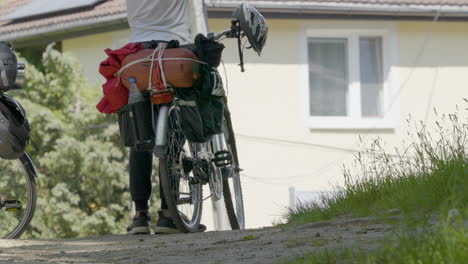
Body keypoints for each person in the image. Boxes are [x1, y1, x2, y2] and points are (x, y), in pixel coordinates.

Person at [125, 0, 205, 235]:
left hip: (137, 56)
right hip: (174, 52)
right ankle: (168, 214)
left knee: (140, 136)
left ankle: (139, 216)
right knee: (174, 129)